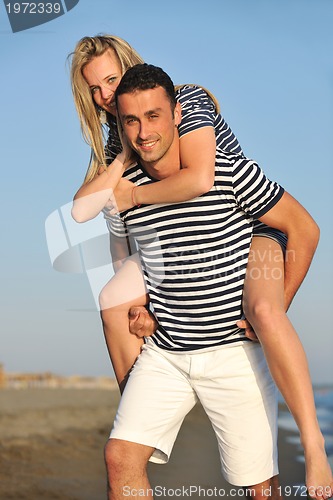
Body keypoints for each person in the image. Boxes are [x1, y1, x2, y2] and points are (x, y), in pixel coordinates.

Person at [68, 37, 333, 499]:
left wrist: (133, 191)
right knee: (114, 305)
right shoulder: (123, 147)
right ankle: (143, 413)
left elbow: (203, 178)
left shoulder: (192, 111)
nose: (106, 96)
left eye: (112, 80)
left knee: (267, 316)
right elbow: (100, 223)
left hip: (253, 232)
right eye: (96, 90)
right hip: (172, 344)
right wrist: (143, 297)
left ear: (172, 113)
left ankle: (314, 446)